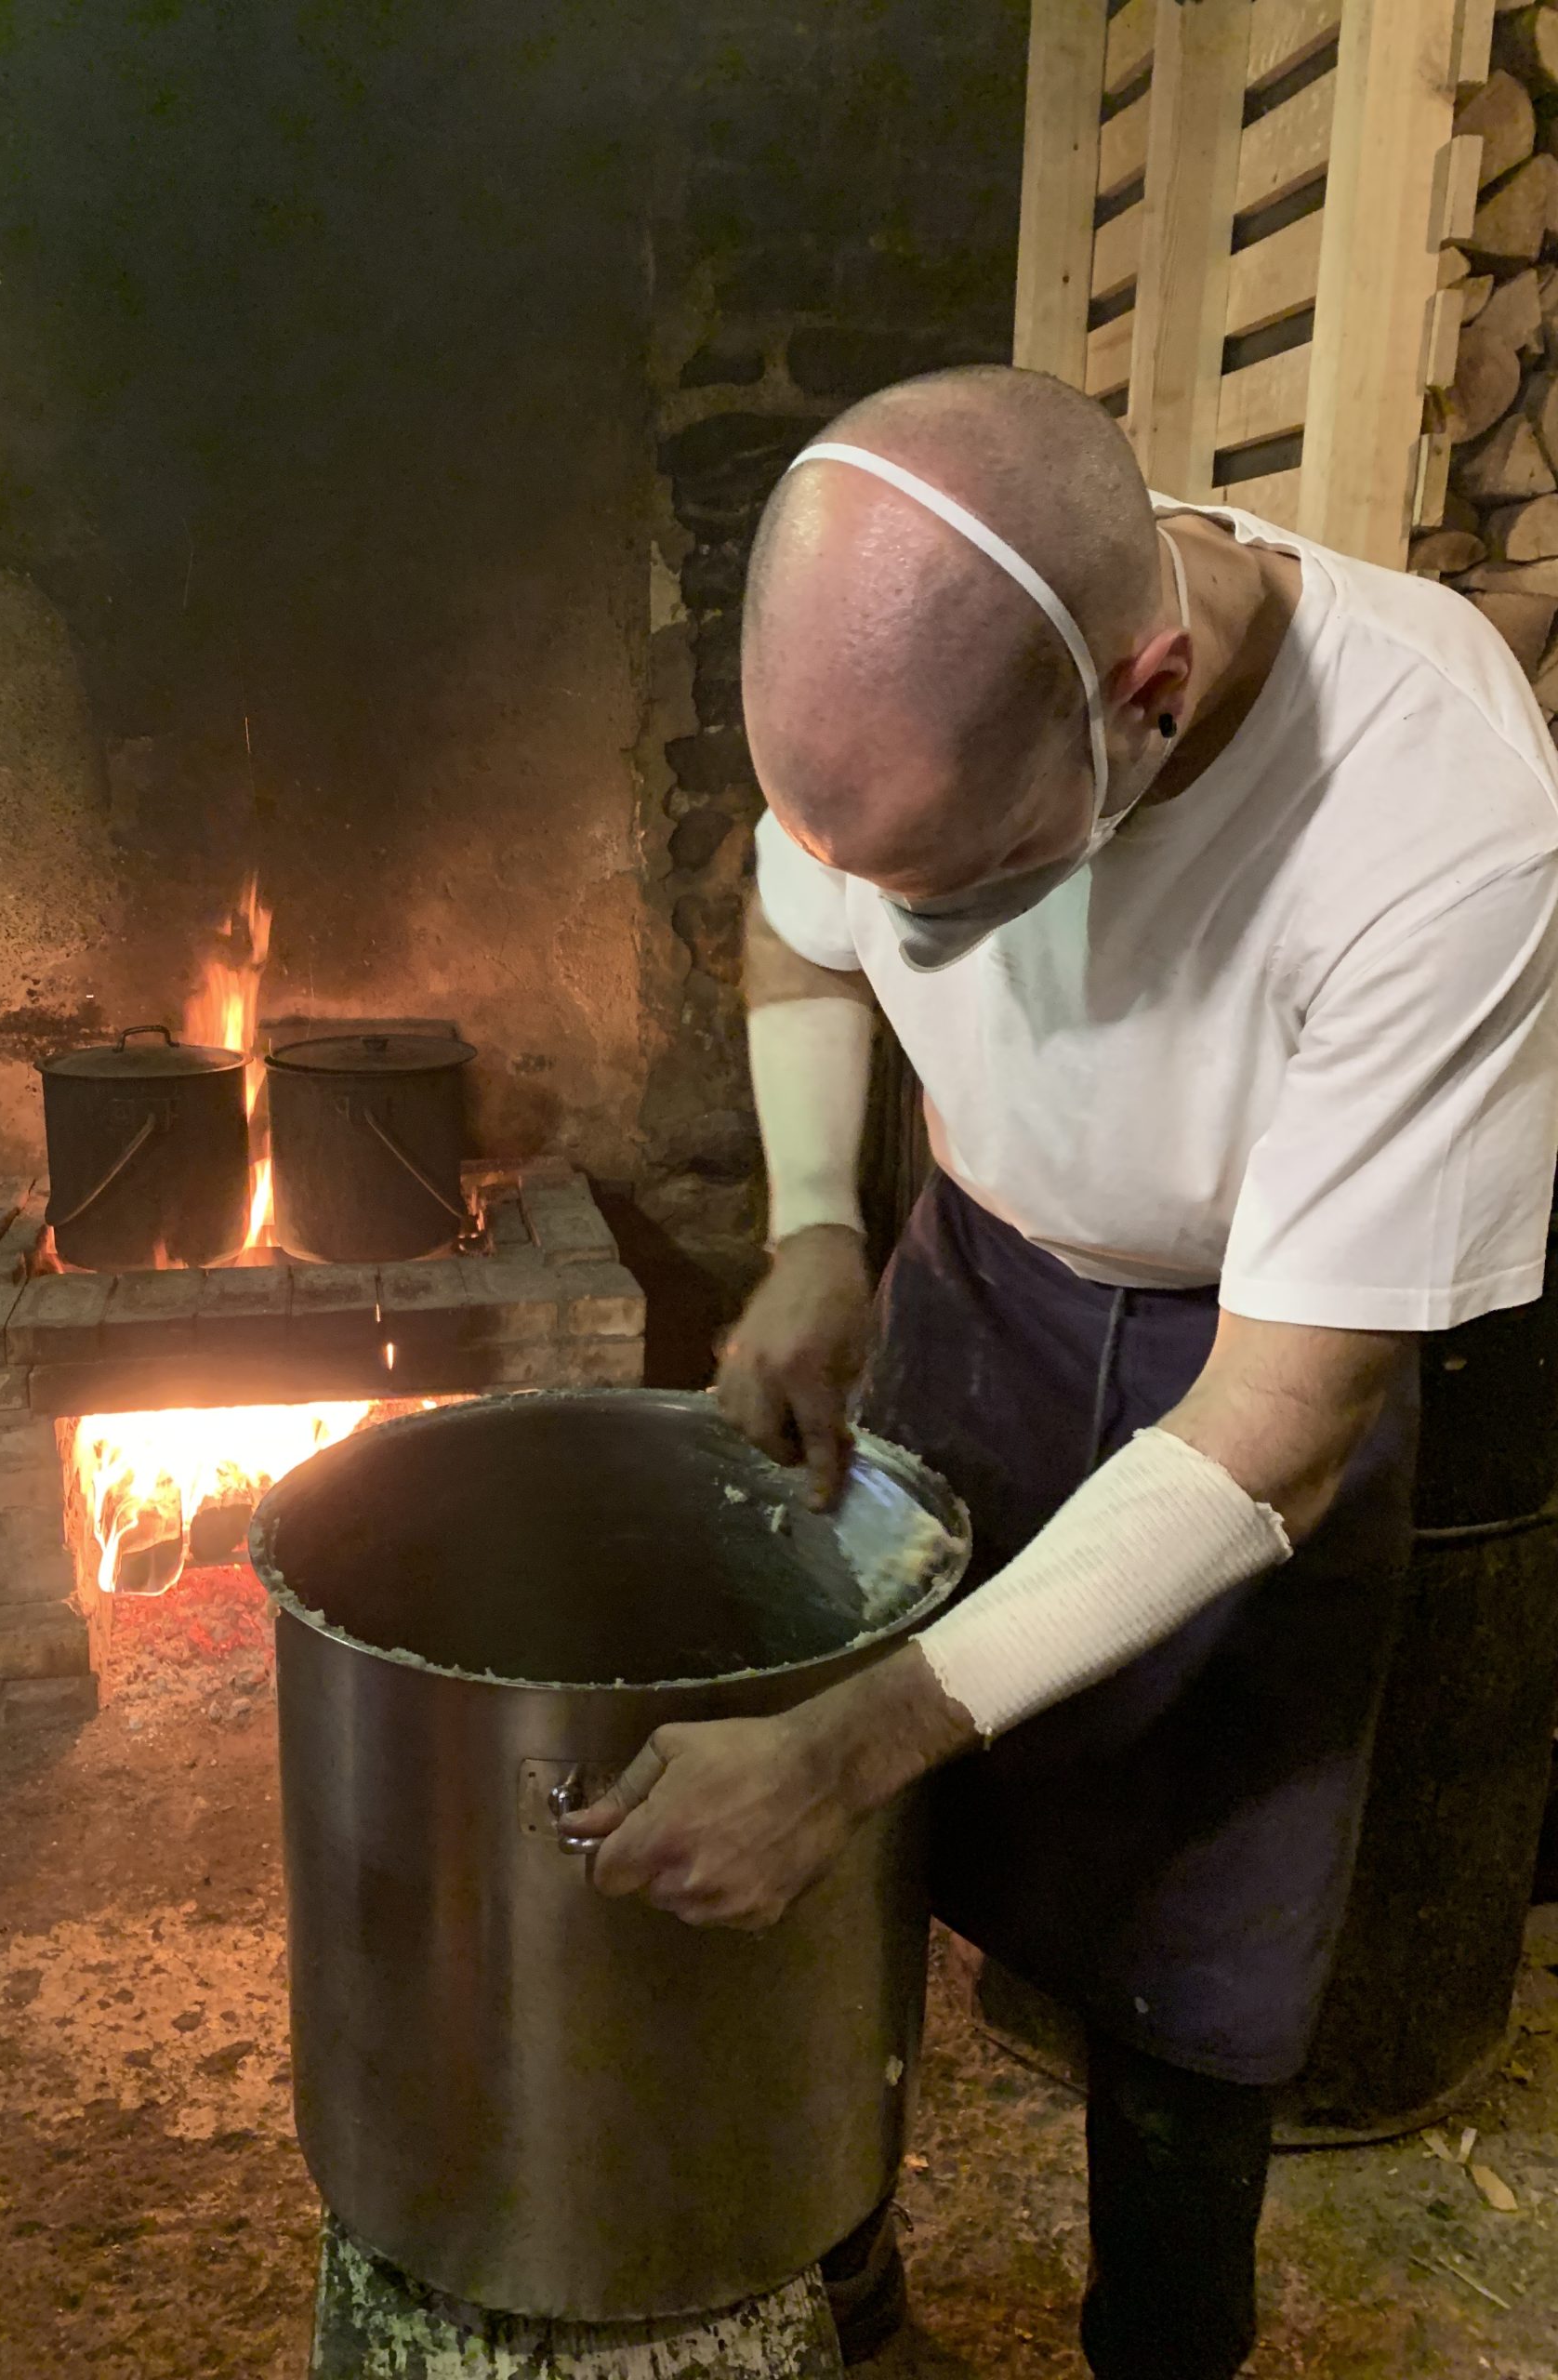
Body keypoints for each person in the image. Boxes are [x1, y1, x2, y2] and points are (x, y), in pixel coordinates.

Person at [570, 366, 1558, 2374]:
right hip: (979, 1293)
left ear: (1150, 694)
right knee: (864, 1881)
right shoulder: (913, 684)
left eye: (959, 884)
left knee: (1200, 1965)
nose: (903, 924)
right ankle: (853, 2301)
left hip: (1252, 1364)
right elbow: (801, 930)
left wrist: (843, 1741)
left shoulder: (1439, 814)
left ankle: (1162, 2346)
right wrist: (819, 1226)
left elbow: (1280, 1434)